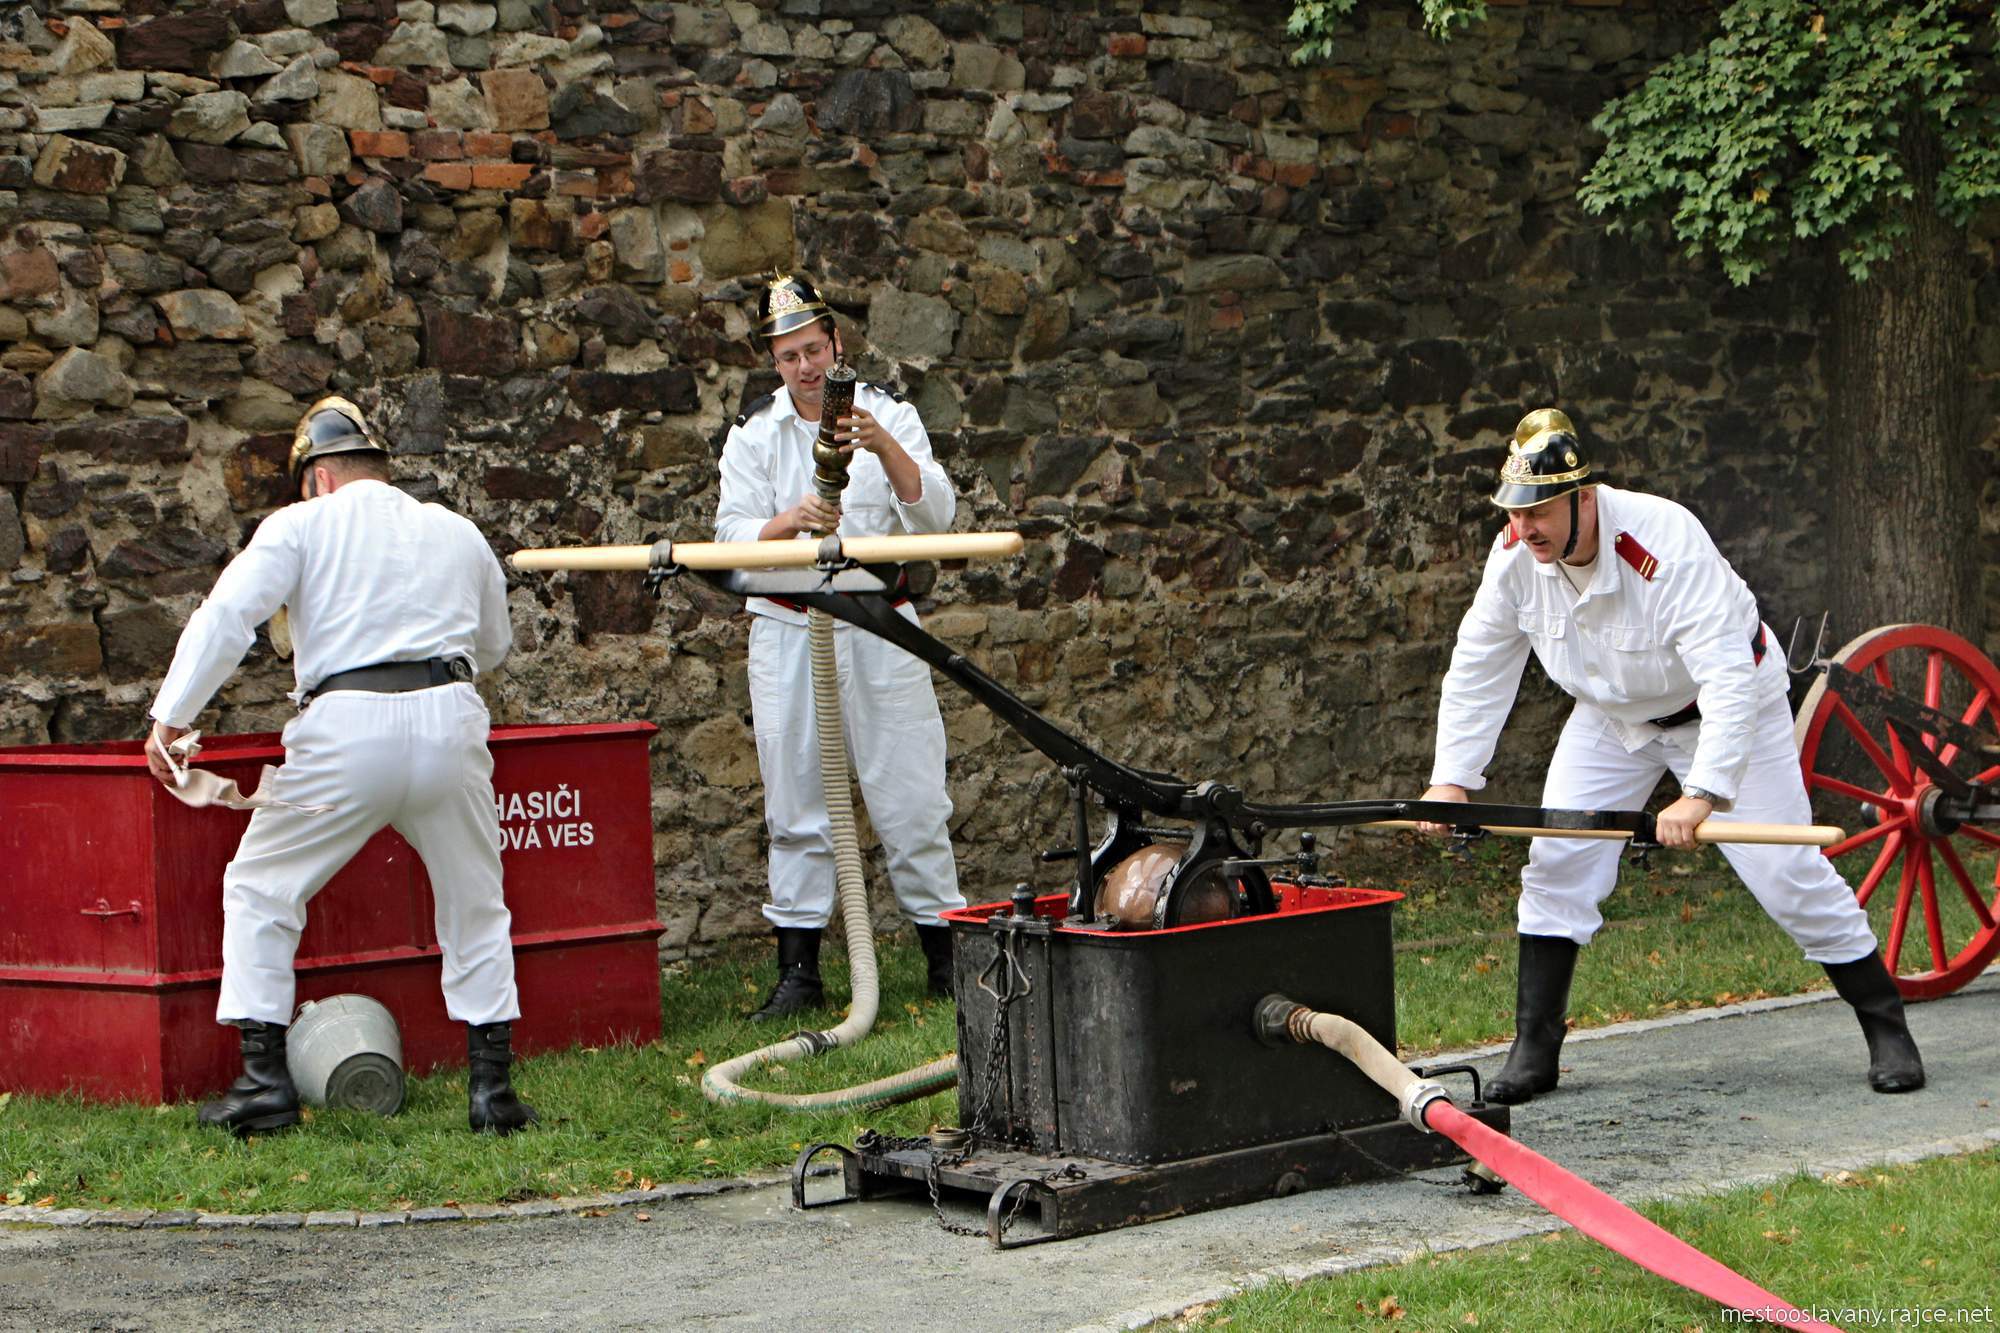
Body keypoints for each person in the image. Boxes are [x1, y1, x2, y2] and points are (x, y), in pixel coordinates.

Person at [1418, 408, 1924, 1103]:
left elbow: (1725, 674)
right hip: (1612, 716)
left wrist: (1704, 792)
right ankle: (1535, 1048)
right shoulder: (1513, 560)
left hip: (1725, 704)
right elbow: (1481, 661)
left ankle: (1885, 1023)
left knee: (1786, 873)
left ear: (1583, 499)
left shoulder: (1664, 541)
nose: (1524, 527)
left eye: (1539, 510)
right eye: (1514, 511)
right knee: (1559, 857)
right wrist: (1452, 778)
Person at [143, 396, 537, 1136]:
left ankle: (264, 1085)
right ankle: (494, 1093)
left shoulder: (299, 524)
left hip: (347, 723)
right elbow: (493, 645)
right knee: (476, 902)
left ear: (318, 477)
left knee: (262, 886)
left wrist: (172, 718)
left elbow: (229, 615)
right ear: (379, 470)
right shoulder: (455, 529)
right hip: (449, 715)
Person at [715, 273, 966, 1021]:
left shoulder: (889, 413)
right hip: (792, 627)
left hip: (880, 623)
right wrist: (786, 520)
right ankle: (800, 973)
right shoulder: (755, 435)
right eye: (789, 356)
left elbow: (937, 518)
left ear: (836, 344)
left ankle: (944, 957)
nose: (804, 367)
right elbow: (726, 541)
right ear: (775, 361)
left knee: (912, 792)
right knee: (797, 797)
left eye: (813, 350)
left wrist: (883, 445)